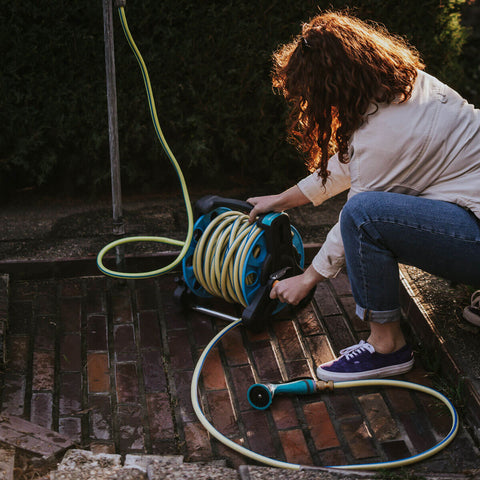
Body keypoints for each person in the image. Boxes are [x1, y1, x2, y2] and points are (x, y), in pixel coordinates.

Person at [247, 11, 480, 382]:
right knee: (365, 212)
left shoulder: (388, 133)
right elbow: (351, 166)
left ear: (333, 85)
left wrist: (306, 279)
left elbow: (356, 216)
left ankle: (387, 347)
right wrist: (279, 200)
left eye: (313, 93)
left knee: (365, 216)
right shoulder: (406, 89)